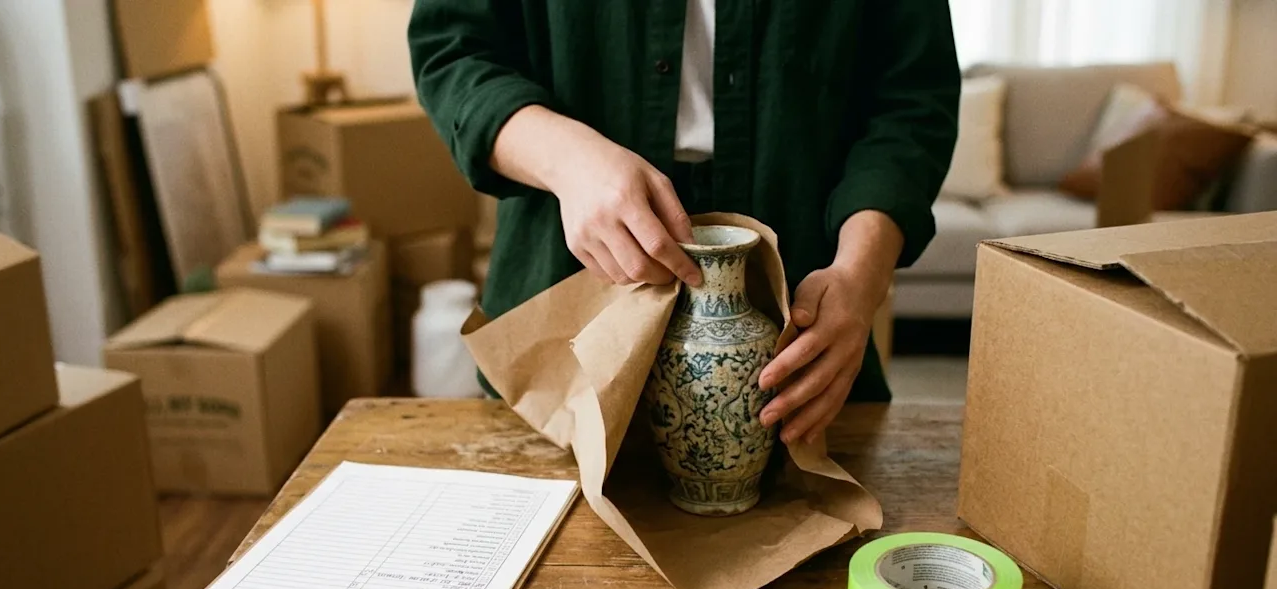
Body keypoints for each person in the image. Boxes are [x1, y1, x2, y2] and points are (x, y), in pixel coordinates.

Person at [408, 1, 959, 446]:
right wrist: (568, 159)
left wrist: (862, 272)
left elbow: (913, 100)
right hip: (563, 302)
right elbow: (453, 50)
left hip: (803, 298)